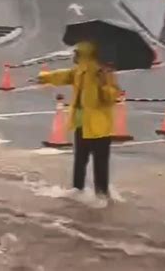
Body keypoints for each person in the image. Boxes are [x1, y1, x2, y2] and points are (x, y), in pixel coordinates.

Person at [37, 41, 120, 206]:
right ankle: (77, 191)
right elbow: (64, 75)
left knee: (100, 165)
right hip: (81, 125)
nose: (74, 56)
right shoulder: (80, 72)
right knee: (80, 161)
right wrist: (44, 77)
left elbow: (111, 97)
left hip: (99, 128)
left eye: (77, 53)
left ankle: (102, 196)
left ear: (85, 55)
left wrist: (104, 81)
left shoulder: (103, 72)